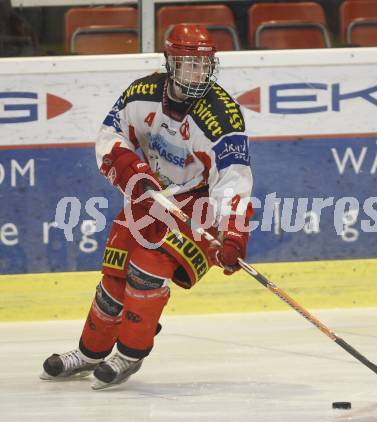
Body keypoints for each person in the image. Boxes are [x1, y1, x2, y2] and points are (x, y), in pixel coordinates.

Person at [40, 23, 253, 390]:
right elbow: (112, 134)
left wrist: (231, 232)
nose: (198, 74)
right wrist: (128, 167)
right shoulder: (143, 92)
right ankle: (91, 352)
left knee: (146, 270)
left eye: (204, 66)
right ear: (170, 63)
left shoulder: (221, 115)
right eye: (189, 65)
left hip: (195, 201)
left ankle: (129, 353)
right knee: (115, 276)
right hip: (149, 193)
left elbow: (232, 179)